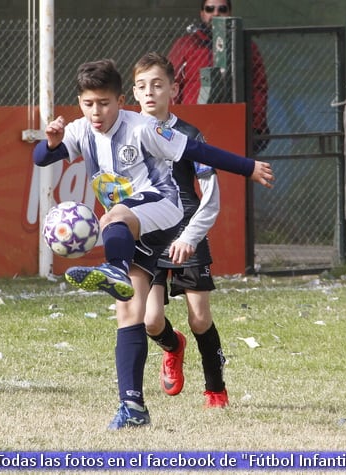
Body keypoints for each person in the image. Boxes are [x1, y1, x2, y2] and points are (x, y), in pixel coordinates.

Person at [32, 59, 273, 430]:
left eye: (105, 103)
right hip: (130, 228)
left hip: (165, 210)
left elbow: (200, 153)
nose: (97, 112)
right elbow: (41, 157)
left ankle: (115, 270)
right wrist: (49, 144)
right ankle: (133, 407)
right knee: (131, 313)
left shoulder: (144, 127)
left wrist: (247, 166)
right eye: (88, 103)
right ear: (80, 102)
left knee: (114, 217)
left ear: (120, 100)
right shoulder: (81, 130)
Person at [132, 52, 229, 408]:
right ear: (133, 91)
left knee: (200, 317)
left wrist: (190, 236)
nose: (150, 92)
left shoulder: (188, 135)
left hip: (187, 230)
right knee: (150, 319)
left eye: (158, 85)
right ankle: (173, 347)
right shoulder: (125, 134)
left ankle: (215, 389)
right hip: (147, 235)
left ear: (173, 89)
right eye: (142, 86)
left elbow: (211, 195)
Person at [168, 0, 269, 146]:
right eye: (210, 9)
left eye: (222, 9)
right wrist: (174, 121)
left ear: (230, 12)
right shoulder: (187, 45)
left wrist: (256, 126)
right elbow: (171, 83)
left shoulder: (245, 46)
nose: (216, 13)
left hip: (234, 123)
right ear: (202, 14)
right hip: (193, 123)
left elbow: (258, 87)